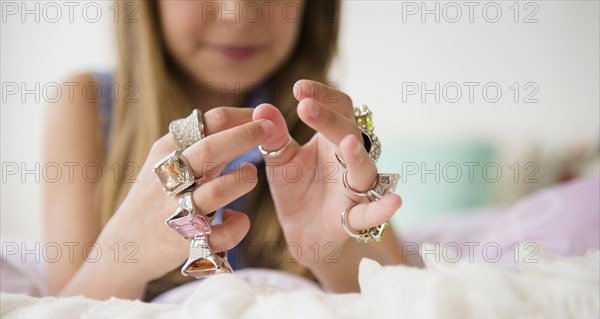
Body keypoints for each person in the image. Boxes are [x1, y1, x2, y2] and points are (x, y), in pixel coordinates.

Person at [43, 0, 410, 301]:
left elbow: (409, 301)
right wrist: (122, 260)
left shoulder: (322, 118)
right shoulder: (85, 103)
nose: (238, 12)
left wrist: (337, 253)